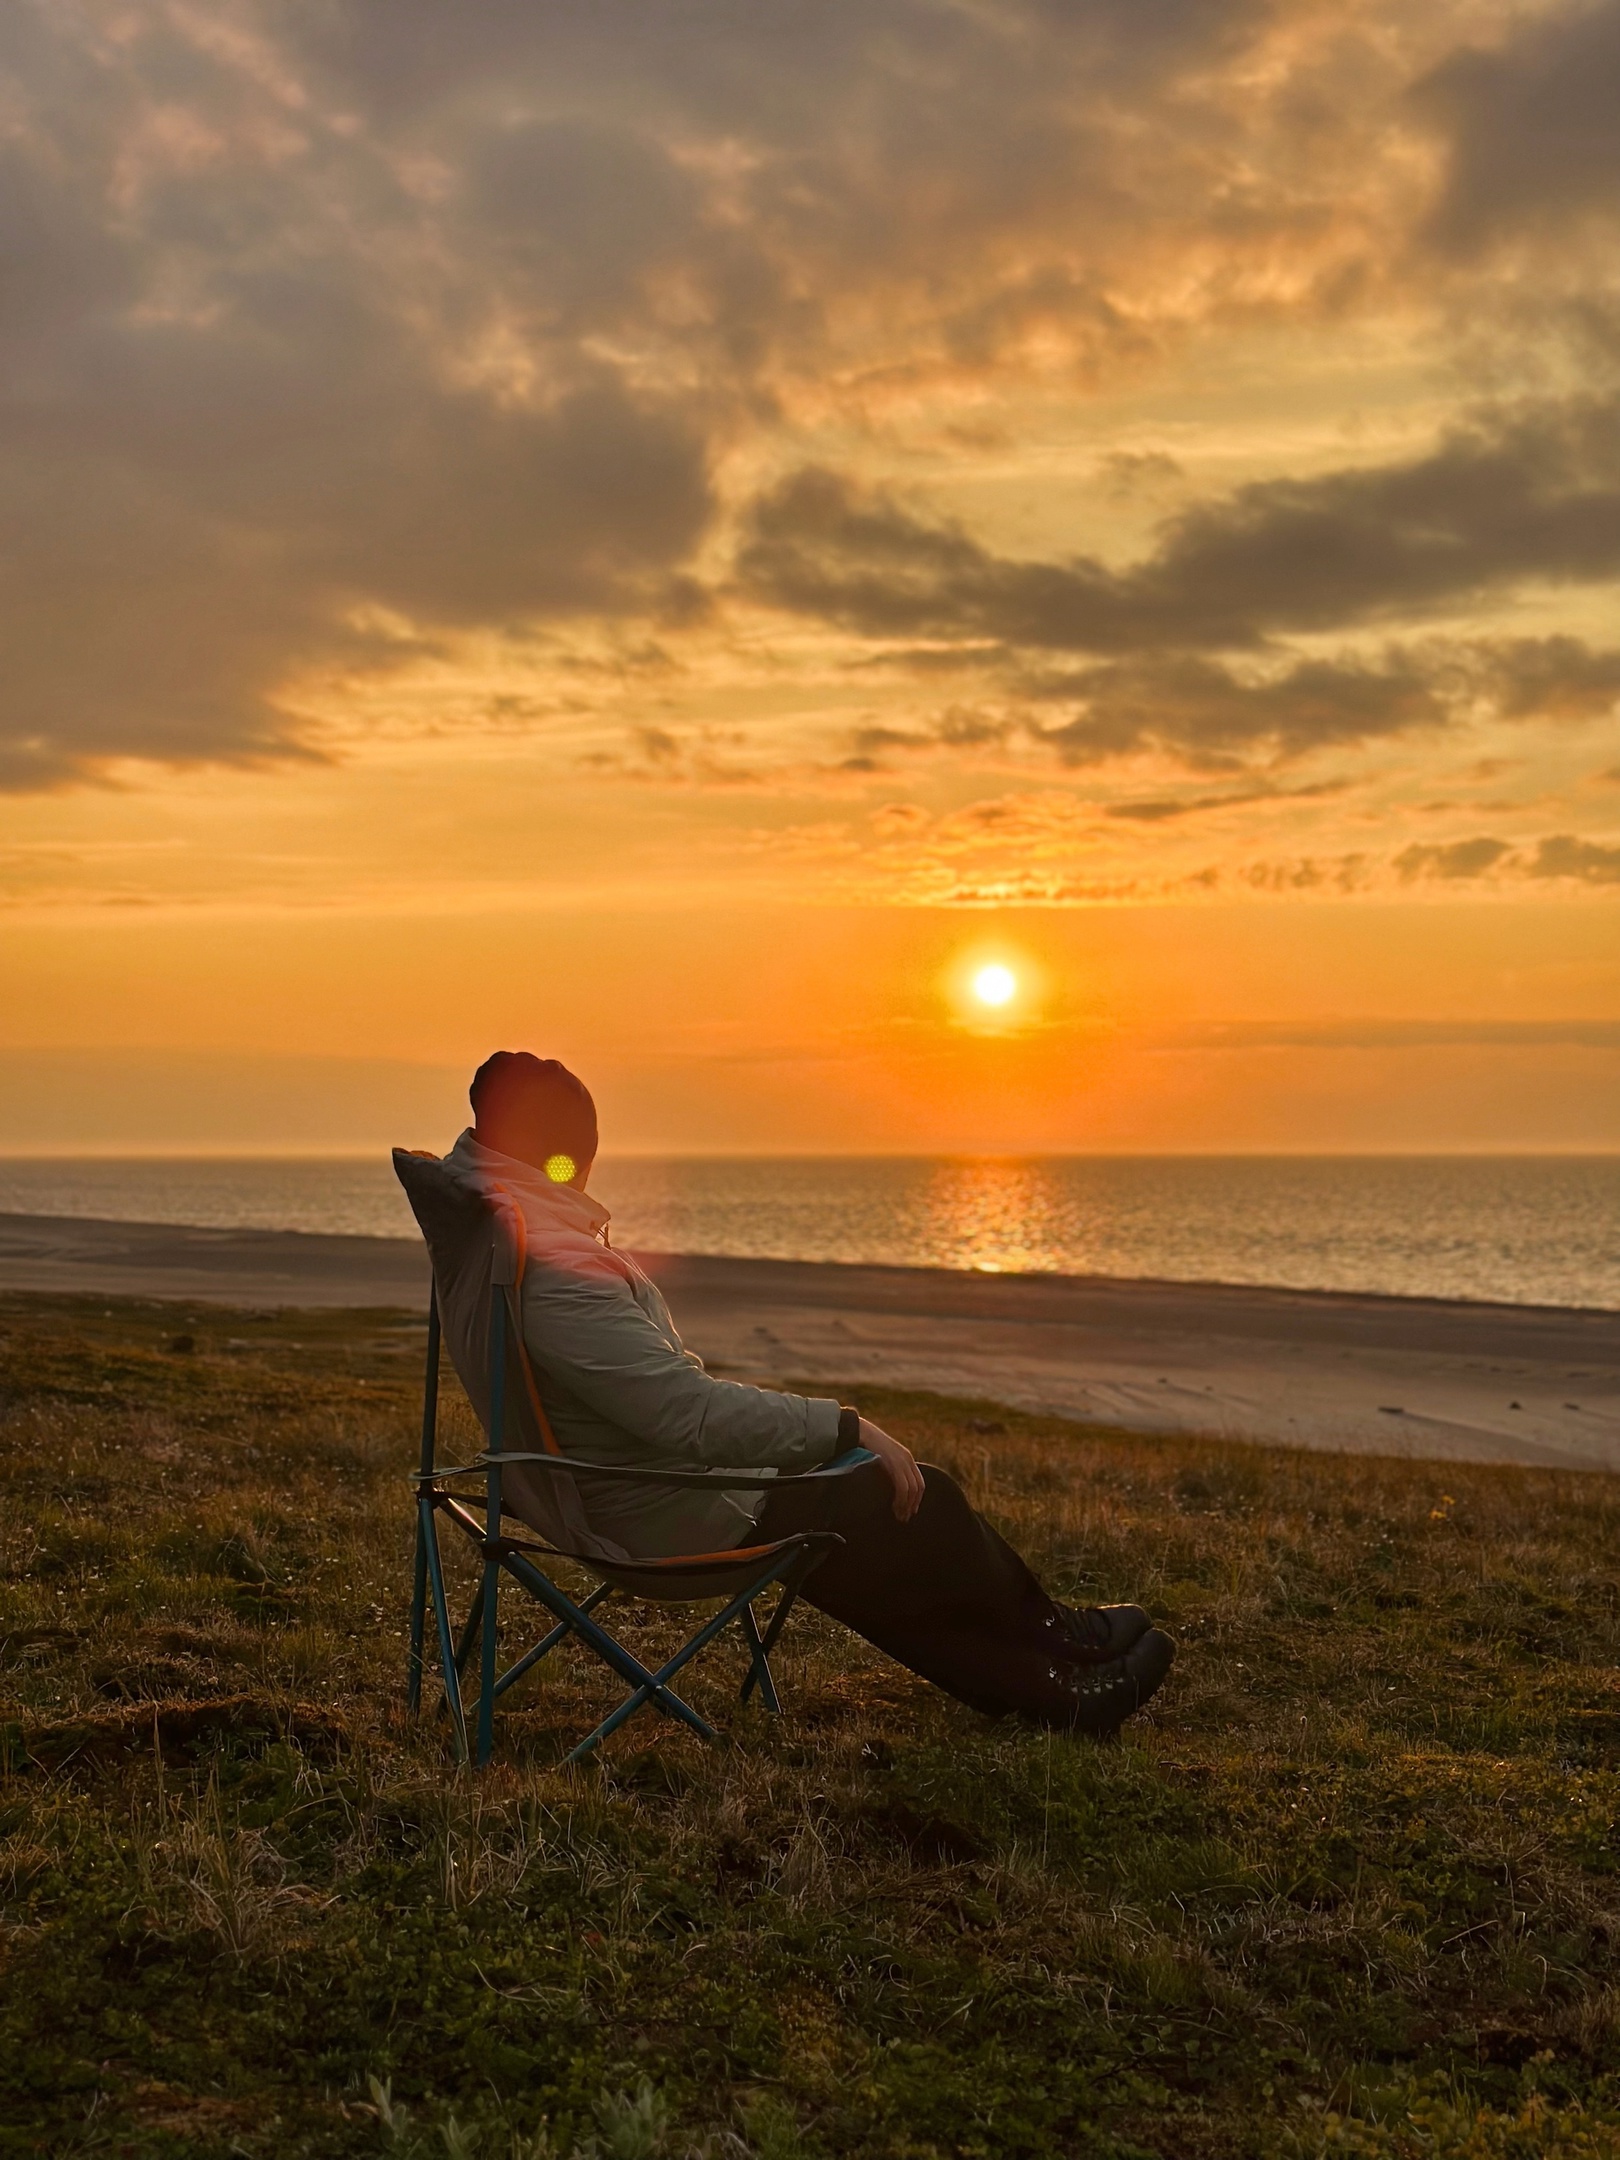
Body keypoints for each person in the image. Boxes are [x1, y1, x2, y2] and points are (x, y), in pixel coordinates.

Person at [443, 1049, 1174, 1736]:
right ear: (565, 1151)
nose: (586, 1171)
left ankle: (1050, 1667)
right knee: (903, 1502)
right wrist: (848, 1428)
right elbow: (684, 1415)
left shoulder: (494, 1230)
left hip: (623, 1487)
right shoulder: (556, 1270)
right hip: (656, 1509)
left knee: (877, 1524)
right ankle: (1057, 1661)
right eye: (581, 1152)